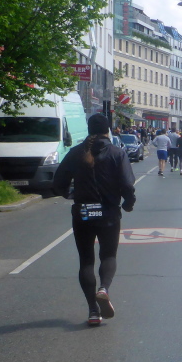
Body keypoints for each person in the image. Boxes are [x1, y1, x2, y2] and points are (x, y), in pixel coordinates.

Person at [53, 113, 136, 326]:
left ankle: (92, 310)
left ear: (89, 129)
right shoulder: (117, 153)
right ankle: (104, 289)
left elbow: (58, 183)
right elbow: (127, 184)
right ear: (107, 130)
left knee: (86, 261)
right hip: (108, 213)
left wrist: (72, 194)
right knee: (108, 256)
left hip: (83, 214)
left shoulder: (75, 153)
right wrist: (128, 203)